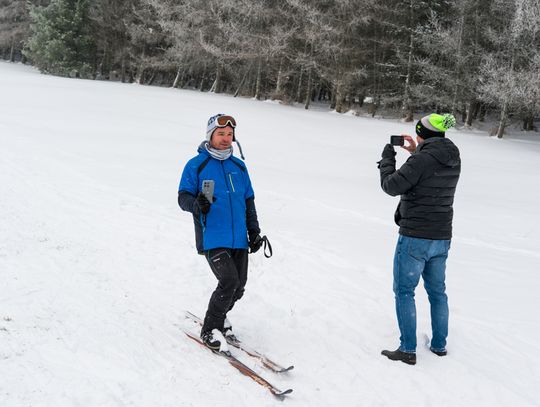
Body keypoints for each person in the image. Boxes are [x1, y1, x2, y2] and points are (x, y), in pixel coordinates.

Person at [377, 113, 461, 365]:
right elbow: (429, 173)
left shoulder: (422, 160)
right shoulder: (452, 155)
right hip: (441, 237)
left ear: (422, 134)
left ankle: (407, 350)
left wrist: (387, 159)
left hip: (415, 237)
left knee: (404, 291)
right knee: (437, 292)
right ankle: (439, 345)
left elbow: (391, 186)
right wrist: (416, 151)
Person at [177, 114, 264, 350]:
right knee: (229, 281)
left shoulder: (239, 167)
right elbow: (183, 197)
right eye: (221, 134)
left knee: (239, 286)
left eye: (229, 134)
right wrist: (197, 205)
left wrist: (254, 231)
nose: (226, 139)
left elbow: (248, 201)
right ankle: (210, 329)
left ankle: (221, 317)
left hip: (239, 239)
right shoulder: (196, 165)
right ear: (210, 135)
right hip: (212, 236)